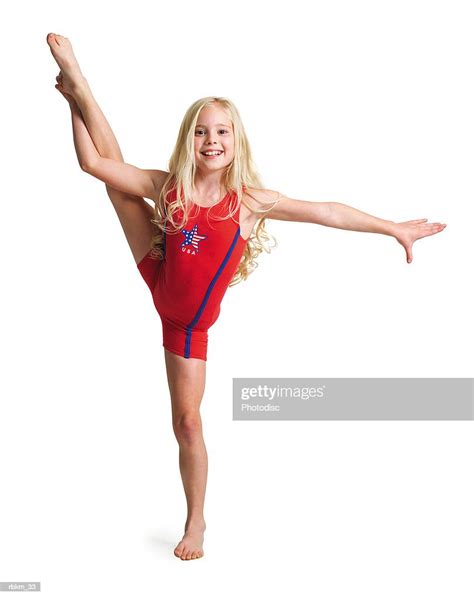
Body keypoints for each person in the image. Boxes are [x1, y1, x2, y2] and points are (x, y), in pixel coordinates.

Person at [46, 32, 447, 560]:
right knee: (119, 187)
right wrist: (72, 104)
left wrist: (391, 227)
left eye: (221, 132)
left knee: (187, 423)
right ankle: (82, 84)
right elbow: (93, 165)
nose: (211, 141)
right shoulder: (171, 187)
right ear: (188, 139)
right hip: (158, 271)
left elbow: (326, 210)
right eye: (201, 132)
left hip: (185, 327)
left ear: (236, 141)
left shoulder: (248, 202)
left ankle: (196, 522)